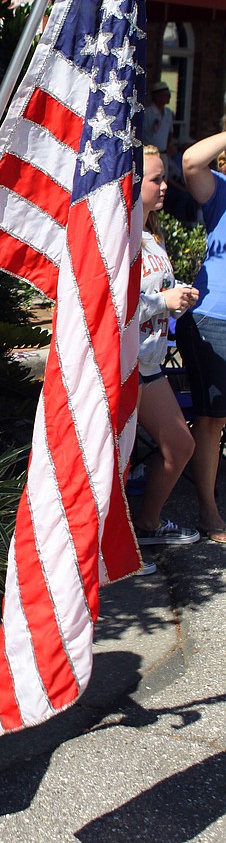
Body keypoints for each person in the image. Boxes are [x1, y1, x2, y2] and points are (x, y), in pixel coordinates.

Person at [132, 147, 200, 547]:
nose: (164, 187)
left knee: (179, 444)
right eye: (156, 179)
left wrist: (176, 296)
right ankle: (119, 546)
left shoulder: (152, 237)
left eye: (164, 178)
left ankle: (146, 527)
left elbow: (151, 295)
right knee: (118, 463)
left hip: (150, 364)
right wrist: (164, 302)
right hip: (123, 367)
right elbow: (108, 306)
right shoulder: (118, 238)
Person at [175, 128, 226, 544]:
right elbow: (191, 161)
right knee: (213, 419)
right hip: (215, 319)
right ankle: (208, 512)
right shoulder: (220, 189)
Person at [141, 81, 174, 152]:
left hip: (164, 152)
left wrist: (168, 147)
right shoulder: (147, 112)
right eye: (166, 95)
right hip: (149, 152)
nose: (169, 97)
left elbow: (170, 132)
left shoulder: (168, 112)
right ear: (157, 96)